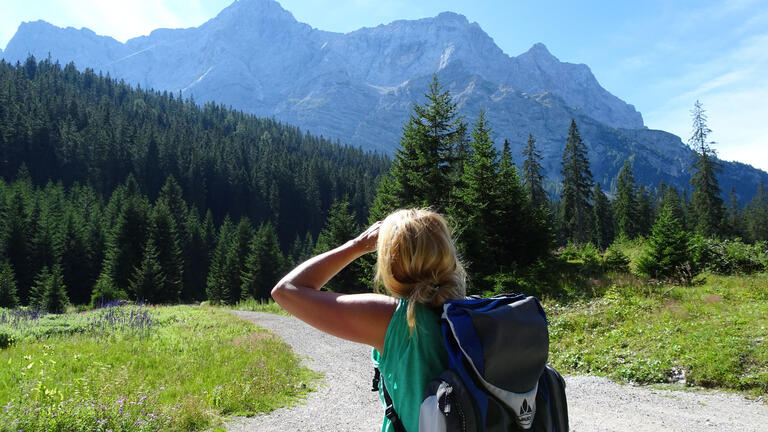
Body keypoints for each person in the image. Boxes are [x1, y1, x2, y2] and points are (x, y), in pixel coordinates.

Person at [271, 208, 467, 432]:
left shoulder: (393, 319)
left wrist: (357, 245)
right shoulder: (471, 314)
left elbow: (286, 291)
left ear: (390, 264)